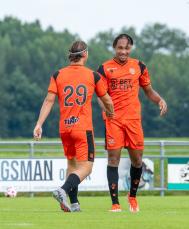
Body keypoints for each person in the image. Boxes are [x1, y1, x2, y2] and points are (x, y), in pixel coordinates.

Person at [33, 41, 114, 212]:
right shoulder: (93, 75)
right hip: (82, 128)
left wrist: (39, 124)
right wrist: (111, 112)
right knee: (86, 167)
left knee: (72, 164)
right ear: (85, 55)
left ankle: (75, 204)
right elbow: (106, 99)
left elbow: (48, 100)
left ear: (70, 56)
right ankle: (62, 190)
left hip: (65, 128)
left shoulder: (58, 75)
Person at [96, 34, 167, 212]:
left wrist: (160, 100)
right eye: (120, 48)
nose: (123, 51)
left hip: (133, 120)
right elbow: (100, 95)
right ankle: (115, 203)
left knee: (137, 161)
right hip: (114, 120)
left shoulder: (139, 66)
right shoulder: (104, 68)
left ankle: (132, 197)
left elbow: (149, 90)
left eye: (127, 48)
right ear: (114, 48)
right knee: (114, 159)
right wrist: (105, 109)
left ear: (131, 49)